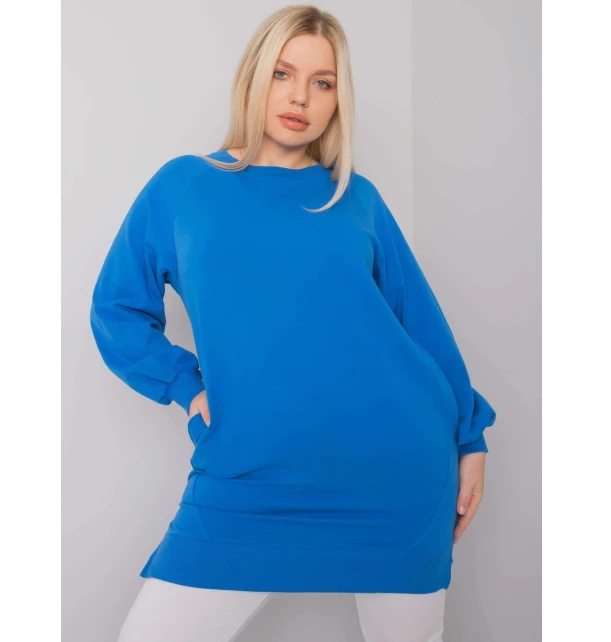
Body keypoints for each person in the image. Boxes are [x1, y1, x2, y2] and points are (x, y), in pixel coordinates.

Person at [89, 5, 496, 641]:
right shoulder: (183, 186)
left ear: (338, 100)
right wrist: (185, 386)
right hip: (247, 472)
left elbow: (420, 325)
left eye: (322, 82)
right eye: (283, 73)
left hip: (392, 475)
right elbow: (117, 308)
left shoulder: (354, 198)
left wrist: (470, 440)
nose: (300, 97)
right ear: (254, 76)